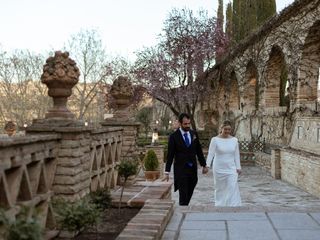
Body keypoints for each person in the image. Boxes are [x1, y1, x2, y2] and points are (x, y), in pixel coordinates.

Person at [165, 113, 208, 206]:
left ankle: (184, 205)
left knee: (191, 187)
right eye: (185, 124)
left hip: (192, 169)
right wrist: (167, 171)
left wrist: (204, 165)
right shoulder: (173, 137)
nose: (188, 126)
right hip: (180, 169)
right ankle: (183, 208)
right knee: (183, 192)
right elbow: (170, 155)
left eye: (189, 123)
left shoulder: (194, 134)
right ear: (180, 123)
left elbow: (199, 151)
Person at [206, 120, 242, 206]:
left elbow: (236, 155)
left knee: (232, 187)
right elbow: (210, 154)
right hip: (218, 168)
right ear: (221, 128)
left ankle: (233, 206)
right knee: (220, 188)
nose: (227, 131)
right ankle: (220, 205)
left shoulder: (234, 140)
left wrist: (238, 167)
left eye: (229, 129)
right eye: (225, 129)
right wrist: (207, 165)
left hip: (231, 168)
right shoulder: (215, 140)